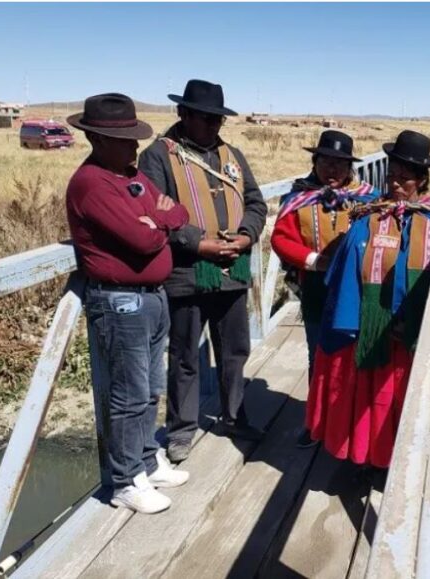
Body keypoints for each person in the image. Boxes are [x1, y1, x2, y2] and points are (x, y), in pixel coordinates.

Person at [66, 93, 191, 514]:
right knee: (129, 394)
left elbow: (178, 213)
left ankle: (146, 462)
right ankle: (125, 480)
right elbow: (143, 239)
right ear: (98, 139)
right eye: (125, 140)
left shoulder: (130, 176)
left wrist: (159, 218)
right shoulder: (91, 183)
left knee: (150, 389)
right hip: (121, 302)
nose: (135, 146)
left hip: (152, 297)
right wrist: (156, 222)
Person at [138, 79, 268, 463]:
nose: (213, 126)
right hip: (187, 272)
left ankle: (234, 416)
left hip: (232, 269)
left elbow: (256, 202)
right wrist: (197, 243)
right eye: (205, 118)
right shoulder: (158, 156)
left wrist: (246, 235)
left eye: (217, 119)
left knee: (235, 350)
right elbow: (154, 212)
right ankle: (181, 430)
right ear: (183, 113)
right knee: (184, 355)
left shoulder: (232, 155)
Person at [306, 130, 430, 468]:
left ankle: (393, 460)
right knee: (361, 396)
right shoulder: (367, 217)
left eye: (405, 178)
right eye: (392, 175)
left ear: (421, 180)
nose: (396, 183)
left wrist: (410, 320)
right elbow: (344, 272)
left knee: (394, 398)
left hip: (402, 335)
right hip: (365, 330)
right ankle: (361, 459)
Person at [269, 131, 379, 445]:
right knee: (318, 353)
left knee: (354, 353)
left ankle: (350, 420)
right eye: (326, 161)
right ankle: (316, 421)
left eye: (340, 163)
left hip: (357, 290)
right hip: (317, 288)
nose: (332, 169)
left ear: (350, 167)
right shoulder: (299, 198)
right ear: (315, 161)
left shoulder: (369, 199)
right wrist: (315, 261)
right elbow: (281, 238)